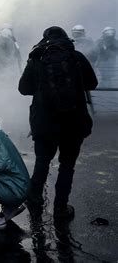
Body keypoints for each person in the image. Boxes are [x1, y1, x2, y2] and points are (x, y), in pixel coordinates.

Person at [19, 26, 98, 219]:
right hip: (74, 122)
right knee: (67, 165)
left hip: (45, 123)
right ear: (65, 38)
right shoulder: (76, 57)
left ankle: (35, 198)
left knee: (42, 161)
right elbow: (92, 83)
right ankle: (60, 208)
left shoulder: (36, 58)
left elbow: (23, 88)